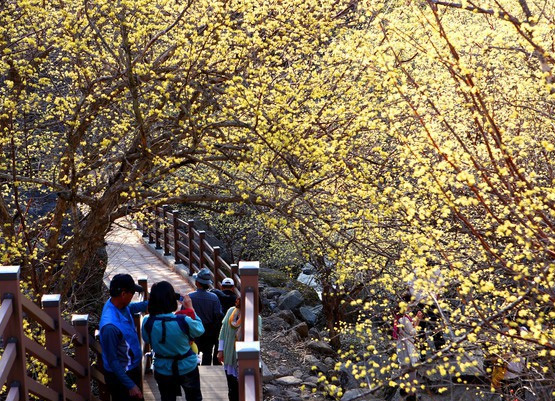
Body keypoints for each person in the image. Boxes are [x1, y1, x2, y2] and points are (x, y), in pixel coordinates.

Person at [142, 281, 205, 401]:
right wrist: (190, 309)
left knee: (167, 398)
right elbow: (200, 330)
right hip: (187, 366)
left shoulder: (147, 321)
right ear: (172, 299)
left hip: (162, 368)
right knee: (194, 398)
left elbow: (146, 338)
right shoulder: (183, 320)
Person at [99, 274, 148, 400]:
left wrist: (152, 303)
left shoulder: (117, 305)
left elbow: (132, 308)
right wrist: (130, 385)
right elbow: (113, 361)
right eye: (132, 293)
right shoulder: (110, 327)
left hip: (131, 368)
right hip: (121, 377)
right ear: (123, 294)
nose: (133, 297)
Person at [217, 297, 262, 401]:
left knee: (242, 390)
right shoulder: (231, 312)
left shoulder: (256, 318)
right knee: (231, 388)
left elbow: (257, 336)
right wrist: (220, 350)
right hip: (229, 354)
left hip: (243, 359)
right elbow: (223, 331)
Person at [189, 268, 223, 365]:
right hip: (209, 331)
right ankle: (206, 373)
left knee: (193, 354)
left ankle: (195, 374)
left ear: (197, 283)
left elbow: (185, 314)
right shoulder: (214, 297)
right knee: (207, 355)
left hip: (194, 331)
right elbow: (218, 315)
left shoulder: (190, 297)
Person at [395, 293, 423, 401]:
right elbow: (413, 332)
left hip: (401, 345)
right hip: (408, 346)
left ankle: (404, 389)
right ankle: (411, 394)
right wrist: (419, 320)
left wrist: (415, 319)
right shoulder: (404, 318)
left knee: (404, 368)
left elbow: (407, 327)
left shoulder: (400, 316)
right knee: (411, 370)